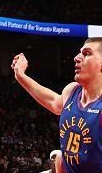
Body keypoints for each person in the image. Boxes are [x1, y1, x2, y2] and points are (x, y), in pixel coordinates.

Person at [11, 37, 102, 173]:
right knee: (59, 158)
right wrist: (20, 75)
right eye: (79, 53)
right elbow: (53, 102)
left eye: (87, 53)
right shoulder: (72, 90)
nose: (77, 58)